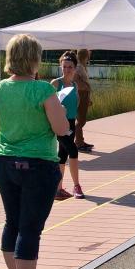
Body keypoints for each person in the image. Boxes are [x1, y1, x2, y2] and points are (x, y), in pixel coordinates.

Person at [0, 33, 70, 269]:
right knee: (30, 228)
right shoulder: (42, 90)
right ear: (34, 59)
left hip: (3, 160)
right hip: (36, 162)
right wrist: (61, 114)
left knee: (12, 222)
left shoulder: (0, 87)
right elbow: (61, 129)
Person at [50, 51, 85, 199]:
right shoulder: (56, 83)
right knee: (73, 150)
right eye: (64, 66)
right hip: (59, 123)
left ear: (75, 68)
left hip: (70, 123)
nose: (66, 70)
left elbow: (75, 104)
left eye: (70, 67)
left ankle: (58, 189)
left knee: (62, 154)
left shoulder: (75, 85)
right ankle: (77, 186)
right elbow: (47, 104)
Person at [74, 48, 93, 151]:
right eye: (88, 55)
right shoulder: (78, 67)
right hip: (81, 94)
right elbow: (75, 81)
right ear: (85, 56)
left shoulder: (82, 66)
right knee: (81, 120)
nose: (89, 56)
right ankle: (78, 143)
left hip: (84, 94)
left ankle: (80, 141)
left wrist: (88, 97)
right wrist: (84, 87)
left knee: (82, 119)